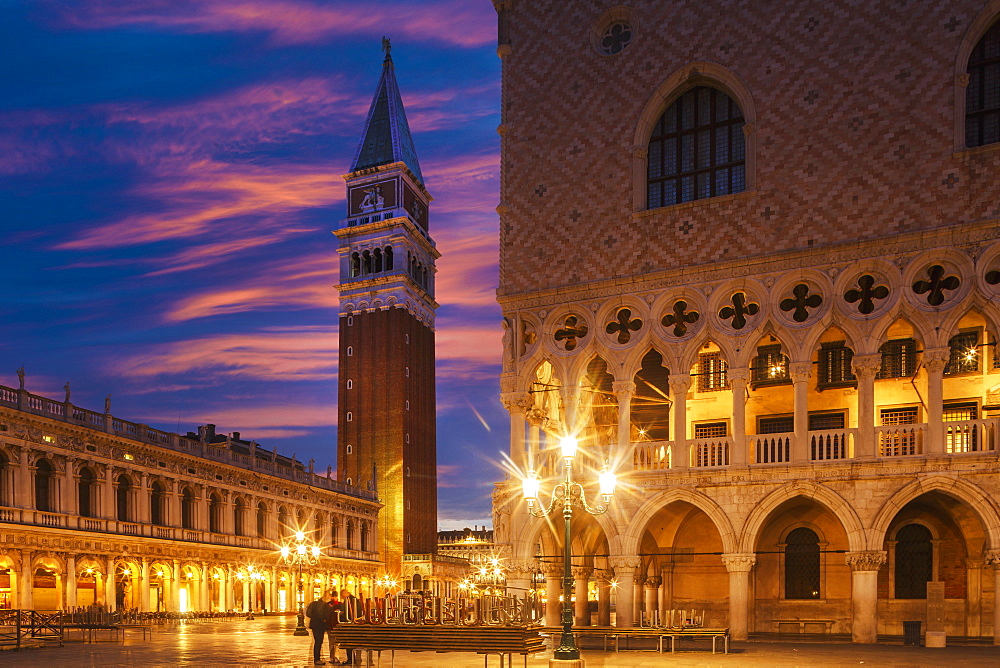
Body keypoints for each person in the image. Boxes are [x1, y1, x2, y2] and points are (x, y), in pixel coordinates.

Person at [305, 590, 333, 665]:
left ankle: (317, 658)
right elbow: (323, 614)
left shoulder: (314, 603)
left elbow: (308, 613)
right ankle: (317, 659)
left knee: (317, 642)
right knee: (318, 642)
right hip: (320, 625)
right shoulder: (323, 605)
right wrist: (324, 619)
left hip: (314, 625)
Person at [339, 588, 359, 665]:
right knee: (350, 643)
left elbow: (345, 611)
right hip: (354, 622)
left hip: (349, 623)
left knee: (348, 642)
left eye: (342, 596)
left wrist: (340, 614)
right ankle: (352, 659)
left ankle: (351, 659)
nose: (342, 598)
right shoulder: (355, 599)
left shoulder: (349, 600)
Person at [326, 590, 343, 665]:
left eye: (335, 596)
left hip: (337, 626)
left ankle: (336, 656)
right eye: (333, 596)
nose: (334, 598)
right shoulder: (328, 605)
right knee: (331, 642)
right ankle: (331, 656)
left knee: (337, 642)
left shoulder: (340, 604)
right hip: (330, 626)